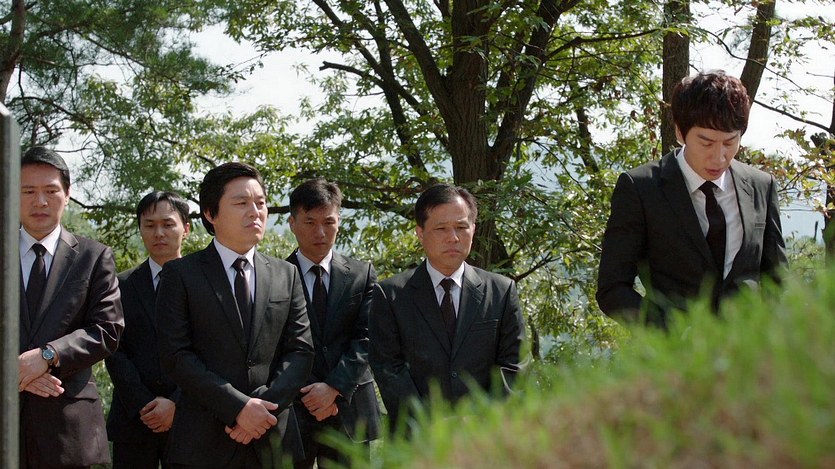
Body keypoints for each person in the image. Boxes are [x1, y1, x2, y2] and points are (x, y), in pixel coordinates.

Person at [596, 70, 787, 328]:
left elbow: (778, 280)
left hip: (750, 348)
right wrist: (671, 332)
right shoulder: (640, 188)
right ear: (679, 132)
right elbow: (612, 289)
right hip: (674, 349)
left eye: (730, 143)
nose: (719, 157)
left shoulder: (761, 185)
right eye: (706, 143)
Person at [156, 162, 314, 468]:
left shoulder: (286, 273)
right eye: (241, 203)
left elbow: (301, 351)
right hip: (204, 443)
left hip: (273, 439)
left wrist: (262, 409)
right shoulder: (181, 274)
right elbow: (176, 356)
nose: (255, 212)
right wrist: (238, 408)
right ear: (210, 213)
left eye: (260, 203)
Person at [369, 183, 526, 433]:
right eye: (441, 228)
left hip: (487, 436)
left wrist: (480, 420)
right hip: (418, 437)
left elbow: (514, 366)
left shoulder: (501, 291)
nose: (453, 237)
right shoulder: (390, 295)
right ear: (420, 233)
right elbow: (388, 369)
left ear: (473, 229)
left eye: (461, 227)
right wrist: (429, 424)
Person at [17, 146, 124, 468]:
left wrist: (47, 355)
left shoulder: (93, 257)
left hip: (68, 425)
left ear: (67, 194)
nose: (40, 201)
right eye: (28, 191)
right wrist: (14, 370)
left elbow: (107, 330)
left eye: (51, 191)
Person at [283, 178, 381, 468]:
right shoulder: (275, 276)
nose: (320, 232)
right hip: (294, 408)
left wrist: (333, 388)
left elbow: (368, 337)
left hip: (350, 406)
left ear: (339, 221)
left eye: (328, 222)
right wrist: (312, 393)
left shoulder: (362, 274)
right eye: (310, 222)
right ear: (292, 223)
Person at [105, 191, 191, 468]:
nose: (159, 233)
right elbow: (114, 349)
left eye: (168, 224)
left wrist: (176, 402)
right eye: (150, 225)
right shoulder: (120, 285)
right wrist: (145, 403)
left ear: (186, 228)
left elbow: (213, 349)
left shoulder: (204, 284)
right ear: (140, 229)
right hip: (134, 417)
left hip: (191, 417)